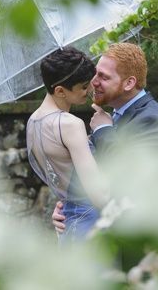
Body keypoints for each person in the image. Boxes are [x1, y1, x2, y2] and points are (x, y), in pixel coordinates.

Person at [52, 42, 158, 234]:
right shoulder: (112, 116)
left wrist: (104, 131)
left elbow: (134, 182)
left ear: (129, 83)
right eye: (95, 74)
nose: (93, 82)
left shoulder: (152, 119)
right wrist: (71, 208)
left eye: (103, 77)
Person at [27, 47, 109, 243]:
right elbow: (97, 192)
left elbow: (59, 175)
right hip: (92, 224)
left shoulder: (33, 121)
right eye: (82, 87)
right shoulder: (70, 125)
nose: (89, 90)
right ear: (60, 91)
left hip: (68, 221)